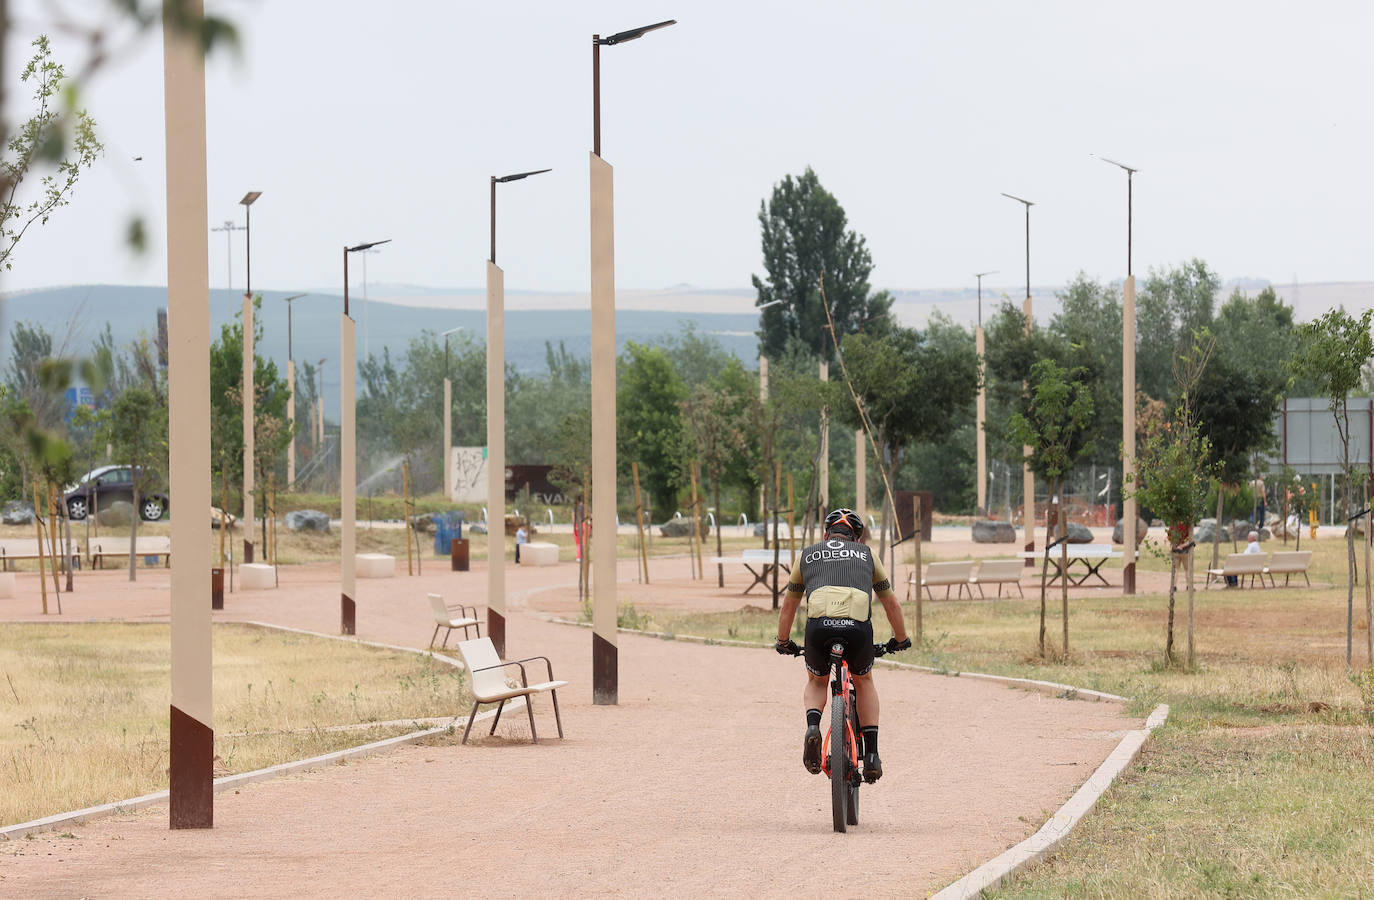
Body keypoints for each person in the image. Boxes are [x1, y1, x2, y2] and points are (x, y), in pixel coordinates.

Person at [775, 508, 911, 784]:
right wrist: (900, 639)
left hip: (818, 628)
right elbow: (890, 603)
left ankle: (813, 726)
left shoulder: (807, 555)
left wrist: (783, 641)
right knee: (864, 681)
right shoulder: (867, 555)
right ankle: (871, 754)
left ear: (826, 535)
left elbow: (789, 605)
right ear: (857, 539)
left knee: (817, 681)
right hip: (858, 629)